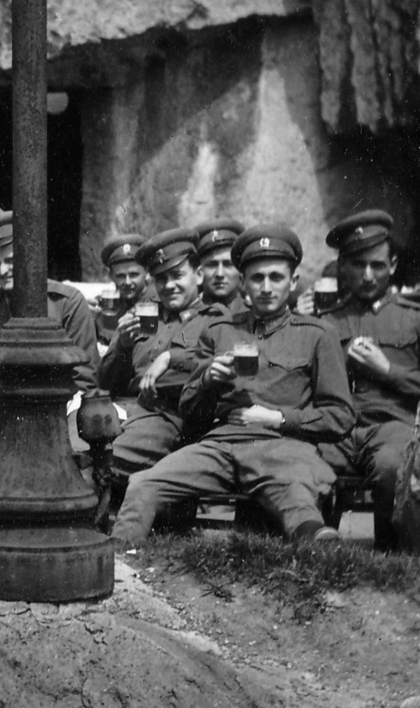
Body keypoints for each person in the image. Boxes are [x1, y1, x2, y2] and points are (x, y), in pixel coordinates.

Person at [111, 225, 355, 546]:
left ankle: (316, 543)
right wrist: (208, 381)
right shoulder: (219, 330)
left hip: (281, 445)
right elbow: (190, 410)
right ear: (244, 284)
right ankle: (119, 563)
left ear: (293, 282)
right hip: (219, 445)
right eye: (257, 278)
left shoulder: (317, 334)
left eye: (276, 277)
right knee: (143, 483)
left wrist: (278, 418)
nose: (266, 288)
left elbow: (340, 416)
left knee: (295, 493)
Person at [319, 210, 420, 550]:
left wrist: (388, 370)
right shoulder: (325, 323)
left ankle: (389, 557)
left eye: (377, 266)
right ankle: (316, 553)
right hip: (337, 429)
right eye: (358, 265)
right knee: (307, 463)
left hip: (393, 426)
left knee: (391, 467)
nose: (368, 275)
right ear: (342, 266)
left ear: (393, 266)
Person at [93, 228, 216, 502]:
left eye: (177, 276)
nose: (169, 286)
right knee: (68, 447)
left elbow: (210, 369)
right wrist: (122, 346)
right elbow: (104, 381)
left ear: (198, 275)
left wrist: (172, 359)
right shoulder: (145, 314)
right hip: (124, 411)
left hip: (168, 417)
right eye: (161, 279)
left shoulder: (214, 320)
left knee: (104, 459)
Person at [0, 212, 100, 393]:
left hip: (59, 404)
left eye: (11, 260)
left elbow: (85, 377)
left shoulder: (67, 303)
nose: (2, 270)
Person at [95, 233, 149, 349]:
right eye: (120, 276)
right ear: (111, 276)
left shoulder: (158, 305)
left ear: (146, 272)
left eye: (134, 274)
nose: (127, 282)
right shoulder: (103, 306)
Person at [195, 218, 245, 313]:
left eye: (228, 264)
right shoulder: (188, 316)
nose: (220, 274)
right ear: (199, 272)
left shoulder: (256, 314)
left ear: (240, 269)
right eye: (211, 265)